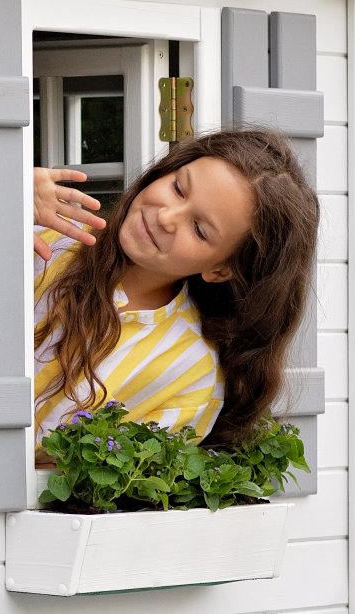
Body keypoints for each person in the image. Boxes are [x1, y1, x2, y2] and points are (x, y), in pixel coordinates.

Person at [31, 129, 319, 448]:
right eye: (178, 188)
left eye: (199, 229)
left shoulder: (192, 378)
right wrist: (2, 206)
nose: (166, 216)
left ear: (220, 269)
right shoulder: (48, 235)